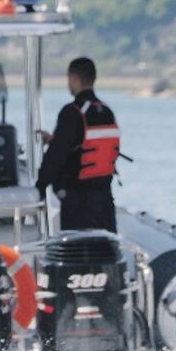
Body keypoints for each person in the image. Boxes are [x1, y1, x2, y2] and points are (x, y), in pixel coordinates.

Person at [35, 57, 120, 232]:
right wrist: (53, 140)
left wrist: (40, 187)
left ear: (74, 78)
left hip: (79, 204)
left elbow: (55, 156)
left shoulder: (72, 112)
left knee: (80, 254)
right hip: (105, 202)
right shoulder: (106, 112)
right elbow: (89, 146)